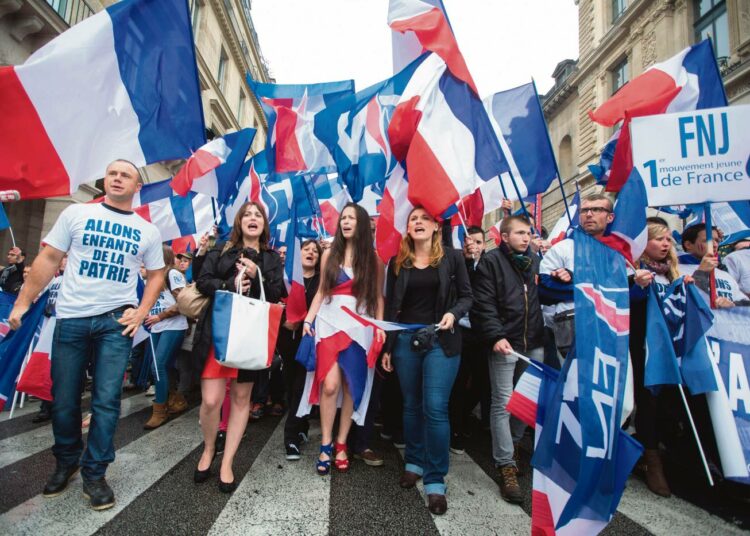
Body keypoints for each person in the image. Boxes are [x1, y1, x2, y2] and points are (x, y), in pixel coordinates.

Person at [8, 159, 165, 510]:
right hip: (72, 320)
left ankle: (95, 473)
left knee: (106, 401)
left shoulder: (147, 231)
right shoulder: (76, 214)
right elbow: (49, 259)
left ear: (137, 186)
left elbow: (156, 275)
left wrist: (141, 312)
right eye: (113, 173)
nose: (118, 178)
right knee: (63, 400)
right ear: (105, 180)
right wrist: (22, 303)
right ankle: (66, 461)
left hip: (115, 324)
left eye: (126, 175)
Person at [381, 206, 473, 515]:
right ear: (407, 229)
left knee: (434, 407)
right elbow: (391, 308)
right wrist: (389, 348)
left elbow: (467, 297)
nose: (418, 222)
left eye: (424, 218)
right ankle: (414, 462)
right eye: (413, 219)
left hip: (441, 341)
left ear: (436, 226)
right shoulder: (398, 263)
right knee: (411, 406)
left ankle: (435, 479)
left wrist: (453, 313)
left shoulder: (453, 258)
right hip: (406, 341)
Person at [192, 201, 285, 493]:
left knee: (242, 400)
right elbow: (202, 281)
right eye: (248, 214)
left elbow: (276, 293)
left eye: (258, 215)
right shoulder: (221, 250)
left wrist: (257, 273)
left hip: (249, 336)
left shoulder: (271, 258)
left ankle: (227, 461)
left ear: (264, 224)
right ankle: (209, 448)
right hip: (218, 331)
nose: (253, 218)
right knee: (210, 401)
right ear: (240, 221)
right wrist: (231, 285)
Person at [301, 203, 385, 476]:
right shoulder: (329, 255)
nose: (346, 222)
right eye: (343, 218)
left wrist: (380, 327)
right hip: (328, 323)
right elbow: (320, 291)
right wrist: (308, 320)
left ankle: (341, 444)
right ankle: (325, 443)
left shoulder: (374, 259)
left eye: (351, 218)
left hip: (359, 327)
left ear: (361, 223)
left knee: (351, 384)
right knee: (330, 384)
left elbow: (378, 297)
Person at [471, 215, 544, 504]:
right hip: (505, 342)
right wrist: (495, 335)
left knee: (525, 401)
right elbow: (483, 303)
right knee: (503, 401)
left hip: (533, 341)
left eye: (528, 233)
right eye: (519, 233)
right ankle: (505, 465)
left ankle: (512, 447)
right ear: (504, 236)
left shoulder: (535, 262)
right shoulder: (491, 262)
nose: (526, 238)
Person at [629, 217, 684, 497]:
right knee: (648, 401)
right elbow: (624, 304)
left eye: (668, 239)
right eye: (658, 238)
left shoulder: (675, 274)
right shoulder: (634, 271)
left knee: (671, 402)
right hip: (643, 349)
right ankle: (652, 460)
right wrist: (637, 287)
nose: (665, 244)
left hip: (674, 350)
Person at [540, 193, 615, 356]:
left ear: (610, 217)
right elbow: (544, 291)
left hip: (612, 328)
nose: (589, 214)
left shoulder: (618, 252)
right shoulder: (563, 248)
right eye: (584, 210)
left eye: (596, 209)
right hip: (571, 330)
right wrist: (589, 288)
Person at [278, 239, 321, 460]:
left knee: (300, 386)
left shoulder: (321, 280)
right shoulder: (285, 278)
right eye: (307, 249)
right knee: (290, 385)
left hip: (309, 340)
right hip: (286, 338)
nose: (311, 253)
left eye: (315, 250)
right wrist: (283, 319)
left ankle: (291, 438)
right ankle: (302, 423)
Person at [449, 225, 489, 454]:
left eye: (477, 242)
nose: (471, 245)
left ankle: (464, 416)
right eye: (467, 242)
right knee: (458, 383)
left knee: (482, 383)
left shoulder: (488, 266)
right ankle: (456, 428)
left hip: (482, 333)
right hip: (459, 331)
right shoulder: (456, 267)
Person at [142, 246, 188, 429]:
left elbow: (183, 301)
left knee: (158, 366)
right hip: (156, 327)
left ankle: (159, 411)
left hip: (173, 325)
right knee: (165, 366)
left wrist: (160, 316)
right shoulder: (153, 276)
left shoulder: (173, 274)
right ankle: (175, 399)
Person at [679, 223, 746, 306]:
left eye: (717, 240)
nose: (715, 245)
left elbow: (745, 303)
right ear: (688, 245)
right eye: (708, 240)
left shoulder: (725, 274)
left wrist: (733, 305)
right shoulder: (675, 271)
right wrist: (701, 272)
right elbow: (691, 299)